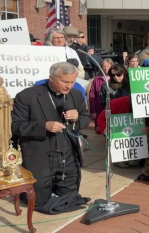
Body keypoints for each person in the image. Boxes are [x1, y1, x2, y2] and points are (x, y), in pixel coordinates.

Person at [11, 62, 90, 210]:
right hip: (40, 153)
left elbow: (86, 117)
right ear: (51, 78)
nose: (69, 86)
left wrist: (77, 118)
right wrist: (43, 126)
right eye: (65, 82)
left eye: (73, 82)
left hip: (67, 152)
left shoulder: (76, 94)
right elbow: (15, 126)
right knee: (37, 201)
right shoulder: (27, 96)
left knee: (70, 196)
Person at [97, 95, 149, 179]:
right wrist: (106, 129)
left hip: (142, 138)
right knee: (121, 163)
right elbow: (101, 118)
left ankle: (144, 159)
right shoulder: (115, 103)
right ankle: (141, 159)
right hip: (121, 138)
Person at [89, 58, 113, 133]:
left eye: (108, 66)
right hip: (99, 109)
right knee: (100, 131)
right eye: (104, 66)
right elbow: (92, 95)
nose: (106, 68)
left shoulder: (115, 78)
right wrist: (93, 111)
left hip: (112, 108)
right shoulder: (97, 80)